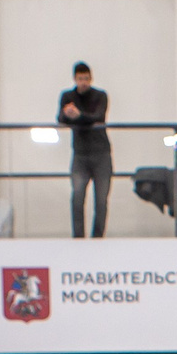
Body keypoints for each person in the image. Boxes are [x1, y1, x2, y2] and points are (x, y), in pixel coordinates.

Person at [59, 62, 111, 238]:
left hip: (101, 153)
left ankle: (98, 237)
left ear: (91, 78)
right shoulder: (67, 96)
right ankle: (78, 237)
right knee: (77, 197)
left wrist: (78, 116)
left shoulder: (100, 95)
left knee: (101, 200)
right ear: (75, 79)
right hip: (80, 154)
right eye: (80, 79)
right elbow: (61, 118)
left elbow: (99, 117)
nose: (83, 82)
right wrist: (70, 115)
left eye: (86, 79)